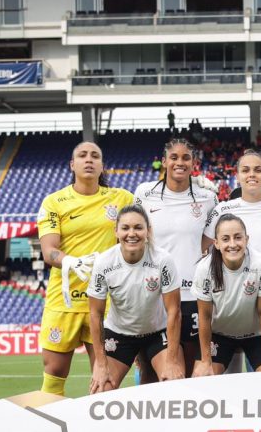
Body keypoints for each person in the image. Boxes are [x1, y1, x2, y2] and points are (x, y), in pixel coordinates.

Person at [37, 141, 135, 396]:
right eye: (82, 155)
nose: (89, 159)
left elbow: (147, 221)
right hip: (64, 299)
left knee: (106, 380)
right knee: (54, 375)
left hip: (106, 301)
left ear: (102, 165)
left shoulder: (122, 198)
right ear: (73, 164)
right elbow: (49, 250)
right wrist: (70, 262)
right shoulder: (54, 202)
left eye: (95, 156)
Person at [134, 137, 218, 377]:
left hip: (192, 294)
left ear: (193, 164)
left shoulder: (208, 198)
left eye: (186, 158)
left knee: (190, 372)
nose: (179, 162)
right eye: (174, 157)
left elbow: (208, 244)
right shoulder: (144, 193)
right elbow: (137, 236)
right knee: (152, 371)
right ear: (163, 162)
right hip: (154, 294)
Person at [202, 149, 261, 360]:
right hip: (230, 300)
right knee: (228, 376)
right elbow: (204, 246)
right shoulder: (222, 209)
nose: (252, 174)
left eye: (258, 170)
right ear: (238, 175)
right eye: (246, 170)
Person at [87, 205, 185, 393]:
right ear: (116, 231)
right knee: (101, 390)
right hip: (119, 333)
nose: (132, 233)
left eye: (138, 227)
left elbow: (174, 311)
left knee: (173, 384)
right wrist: (100, 363)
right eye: (125, 228)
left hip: (157, 333)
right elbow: (95, 314)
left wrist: (172, 360)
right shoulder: (104, 262)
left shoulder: (162, 260)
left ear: (148, 231)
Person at [192, 214, 261, 376]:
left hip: (256, 335)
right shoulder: (205, 269)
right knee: (202, 377)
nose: (232, 244)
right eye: (226, 239)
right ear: (217, 243)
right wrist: (206, 361)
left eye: (238, 237)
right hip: (220, 335)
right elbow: (204, 317)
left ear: (246, 239)